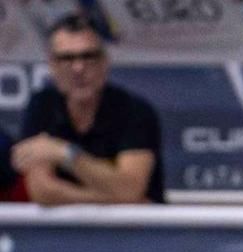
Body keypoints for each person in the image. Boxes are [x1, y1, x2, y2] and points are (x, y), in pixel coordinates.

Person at [13, 14, 163, 205]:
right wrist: (115, 198)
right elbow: (42, 191)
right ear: (52, 65)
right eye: (67, 58)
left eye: (88, 56)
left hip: (133, 224)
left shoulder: (135, 111)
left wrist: (65, 153)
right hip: (66, 225)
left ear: (104, 62)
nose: (78, 68)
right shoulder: (42, 105)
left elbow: (129, 189)